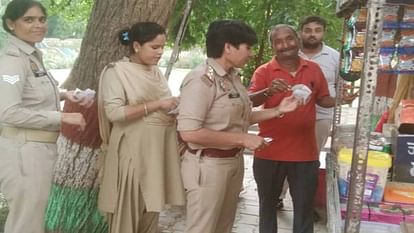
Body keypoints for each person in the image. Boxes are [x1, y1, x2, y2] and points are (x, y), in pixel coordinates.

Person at [177, 20, 300, 233]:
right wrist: (242, 139)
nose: (251, 53)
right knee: (202, 228)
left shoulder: (232, 77)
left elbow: (239, 118)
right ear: (228, 47)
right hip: (208, 165)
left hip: (231, 162)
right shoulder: (200, 80)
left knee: (223, 226)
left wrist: (278, 110)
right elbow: (189, 132)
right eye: (247, 47)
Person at [0, 1, 88, 233]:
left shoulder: (31, 55)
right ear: (10, 24)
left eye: (41, 19)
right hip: (23, 151)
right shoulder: (11, 61)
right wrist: (62, 118)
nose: (38, 25)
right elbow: (8, 112)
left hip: (37, 149)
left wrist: (64, 95)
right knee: (25, 223)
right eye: (28, 20)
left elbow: (29, 95)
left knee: (32, 219)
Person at [97, 22, 185, 233]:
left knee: (151, 212)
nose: (160, 52)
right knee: (127, 216)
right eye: (154, 47)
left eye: (163, 47)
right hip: (131, 153)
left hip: (156, 152)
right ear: (136, 46)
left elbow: (164, 105)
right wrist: (158, 105)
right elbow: (115, 113)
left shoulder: (155, 71)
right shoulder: (116, 71)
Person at [248, 24, 335, 233]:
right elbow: (248, 101)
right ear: (272, 47)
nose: (285, 45)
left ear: (297, 40)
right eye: (278, 41)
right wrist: (268, 92)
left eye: (289, 39)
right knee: (267, 208)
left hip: (305, 154)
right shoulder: (264, 71)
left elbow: (322, 99)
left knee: (304, 211)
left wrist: (340, 99)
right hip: (269, 152)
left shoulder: (313, 69)